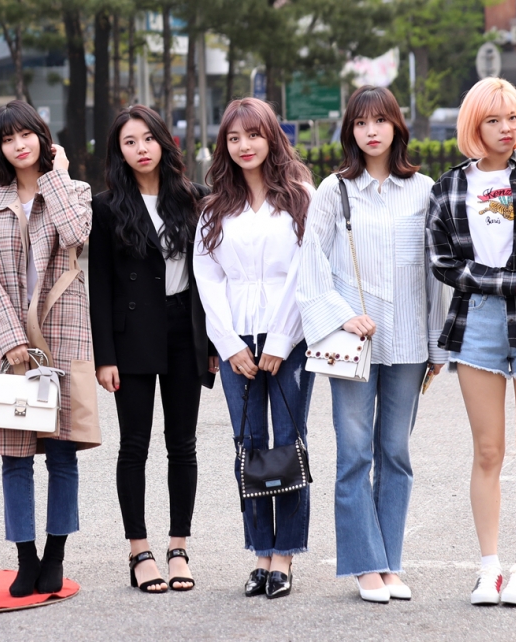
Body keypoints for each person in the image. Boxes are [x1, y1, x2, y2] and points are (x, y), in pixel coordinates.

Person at [296, 86, 449, 603]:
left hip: (408, 343)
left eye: (380, 120)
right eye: (361, 123)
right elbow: (311, 266)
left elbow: (434, 276)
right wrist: (343, 316)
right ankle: (366, 564)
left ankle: (391, 562)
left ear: (396, 126)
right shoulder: (333, 190)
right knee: (355, 455)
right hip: (351, 344)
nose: (371, 131)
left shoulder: (424, 190)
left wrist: (437, 347)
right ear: (351, 132)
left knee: (396, 454)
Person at [428, 78, 516, 607]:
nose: (508, 128)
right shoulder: (450, 187)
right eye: (494, 119)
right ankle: (489, 569)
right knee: (487, 452)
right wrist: (503, 281)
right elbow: (444, 263)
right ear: (474, 126)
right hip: (479, 321)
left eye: (514, 116)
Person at [0, 100, 100, 598]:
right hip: (11, 341)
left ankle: (56, 555)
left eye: (26, 135)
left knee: (63, 454)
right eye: (7, 139)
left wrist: (57, 177)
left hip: (64, 333)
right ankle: (25, 558)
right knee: (15, 456)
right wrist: (10, 340)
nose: (18, 145)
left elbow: (77, 234)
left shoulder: (73, 191)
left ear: (43, 138)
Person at [89, 104, 216, 593]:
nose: (141, 149)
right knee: (134, 445)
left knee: (183, 444)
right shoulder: (106, 207)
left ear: (163, 142)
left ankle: (179, 546)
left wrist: (211, 343)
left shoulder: (195, 198)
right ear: (118, 152)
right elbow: (99, 285)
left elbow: (210, 278)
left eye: (147, 138)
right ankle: (138, 550)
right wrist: (105, 356)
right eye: (129, 142)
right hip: (131, 336)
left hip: (185, 329)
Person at [194, 97, 314, 600]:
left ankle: (285, 555)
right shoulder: (213, 207)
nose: (244, 145)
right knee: (248, 445)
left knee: (289, 441)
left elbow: (307, 273)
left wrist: (282, 340)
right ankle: (261, 553)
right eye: (234, 137)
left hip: (290, 340)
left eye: (253, 134)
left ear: (271, 137)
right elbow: (208, 278)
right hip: (236, 342)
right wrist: (228, 345)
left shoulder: (302, 198)